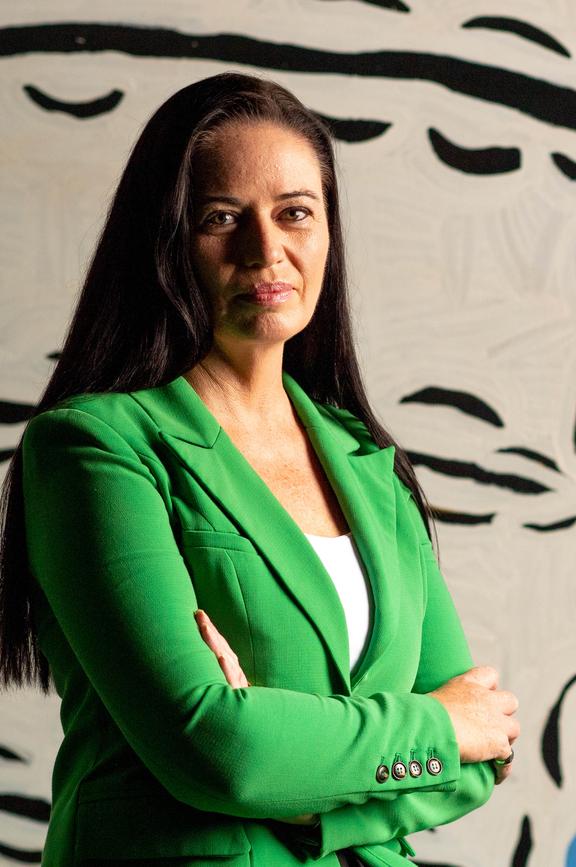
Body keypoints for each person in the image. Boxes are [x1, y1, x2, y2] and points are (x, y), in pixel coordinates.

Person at [0, 72, 519, 867]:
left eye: (295, 214)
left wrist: (312, 799)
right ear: (167, 239)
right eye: (220, 218)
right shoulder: (92, 450)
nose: (265, 250)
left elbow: (488, 750)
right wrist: (439, 726)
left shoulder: (369, 464)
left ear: (328, 233)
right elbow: (220, 749)